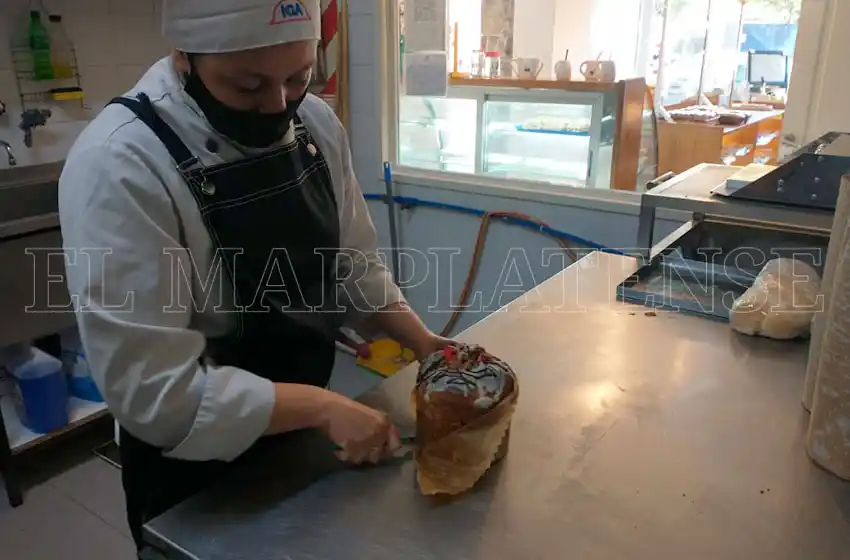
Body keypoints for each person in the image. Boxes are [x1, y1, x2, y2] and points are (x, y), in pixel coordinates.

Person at [58, 0, 450, 553]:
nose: (277, 106)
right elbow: (154, 394)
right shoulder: (121, 163)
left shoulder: (314, 123)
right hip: (193, 474)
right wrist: (323, 407)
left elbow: (353, 263)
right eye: (247, 86)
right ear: (185, 56)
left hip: (297, 443)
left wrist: (424, 343)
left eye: (297, 78)